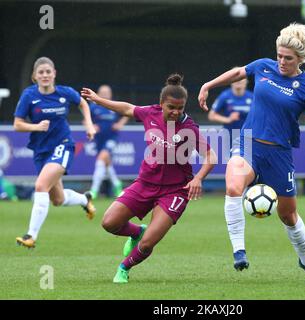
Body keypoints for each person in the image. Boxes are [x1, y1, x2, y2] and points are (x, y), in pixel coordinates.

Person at [198, 23, 305, 281]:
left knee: (288, 215)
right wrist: (208, 85)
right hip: (249, 142)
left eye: (288, 58)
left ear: (300, 59)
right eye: (279, 55)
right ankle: (239, 252)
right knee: (234, 186)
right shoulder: (263, 66)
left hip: (279, 154)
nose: (281, 61)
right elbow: (238, 72)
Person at [81, 73, 216, 284]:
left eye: (180, 108)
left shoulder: (189, 128)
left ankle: (124, 268)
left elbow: (211, 157)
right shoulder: (149, 113)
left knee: (146, 245)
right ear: (161, 104)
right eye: (171, 107)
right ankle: (136, 232)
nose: (176, 112)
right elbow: (126, 108)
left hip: (175, 190)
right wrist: (98, 100)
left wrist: (198, 178)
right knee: (109, 223)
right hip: (145, 183)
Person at [14, 57, 97, 249]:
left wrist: (89, 124)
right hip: (40, 151)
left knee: (40, 186)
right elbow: (17, 125)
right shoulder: (29, 96)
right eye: (41, 72)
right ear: (34, 76)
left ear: (54, 74)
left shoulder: (64, 93)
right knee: (57, 200)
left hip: (63, 145)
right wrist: (36, 126)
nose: (45, 75)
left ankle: (30, 236)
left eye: (48, 72)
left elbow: (83, 103)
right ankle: (85, 199)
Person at [88, 85, 129, 199]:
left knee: (101, 158)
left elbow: (127, 113)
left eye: (107, 92)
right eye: (103, 92)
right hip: (99, 139)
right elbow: (86, 120)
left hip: (112, 138)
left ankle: (94, 190)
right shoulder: (93, 107)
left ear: (111, 94)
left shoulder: (115, 106)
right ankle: (116, 183)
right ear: (98, 94)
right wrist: (92, 126)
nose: (105, 94)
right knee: (106, 163)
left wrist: (120, 124)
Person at [208, 74, 253, 140]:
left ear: (246, 81)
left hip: (247, 136)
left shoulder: (252, 97)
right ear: (231, 81)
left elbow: (259, 116)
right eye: (236, 78)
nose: (238, 80)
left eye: (241, 78)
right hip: (229, 135)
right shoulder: (225, 96)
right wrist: (228, 120)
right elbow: (211, 116)